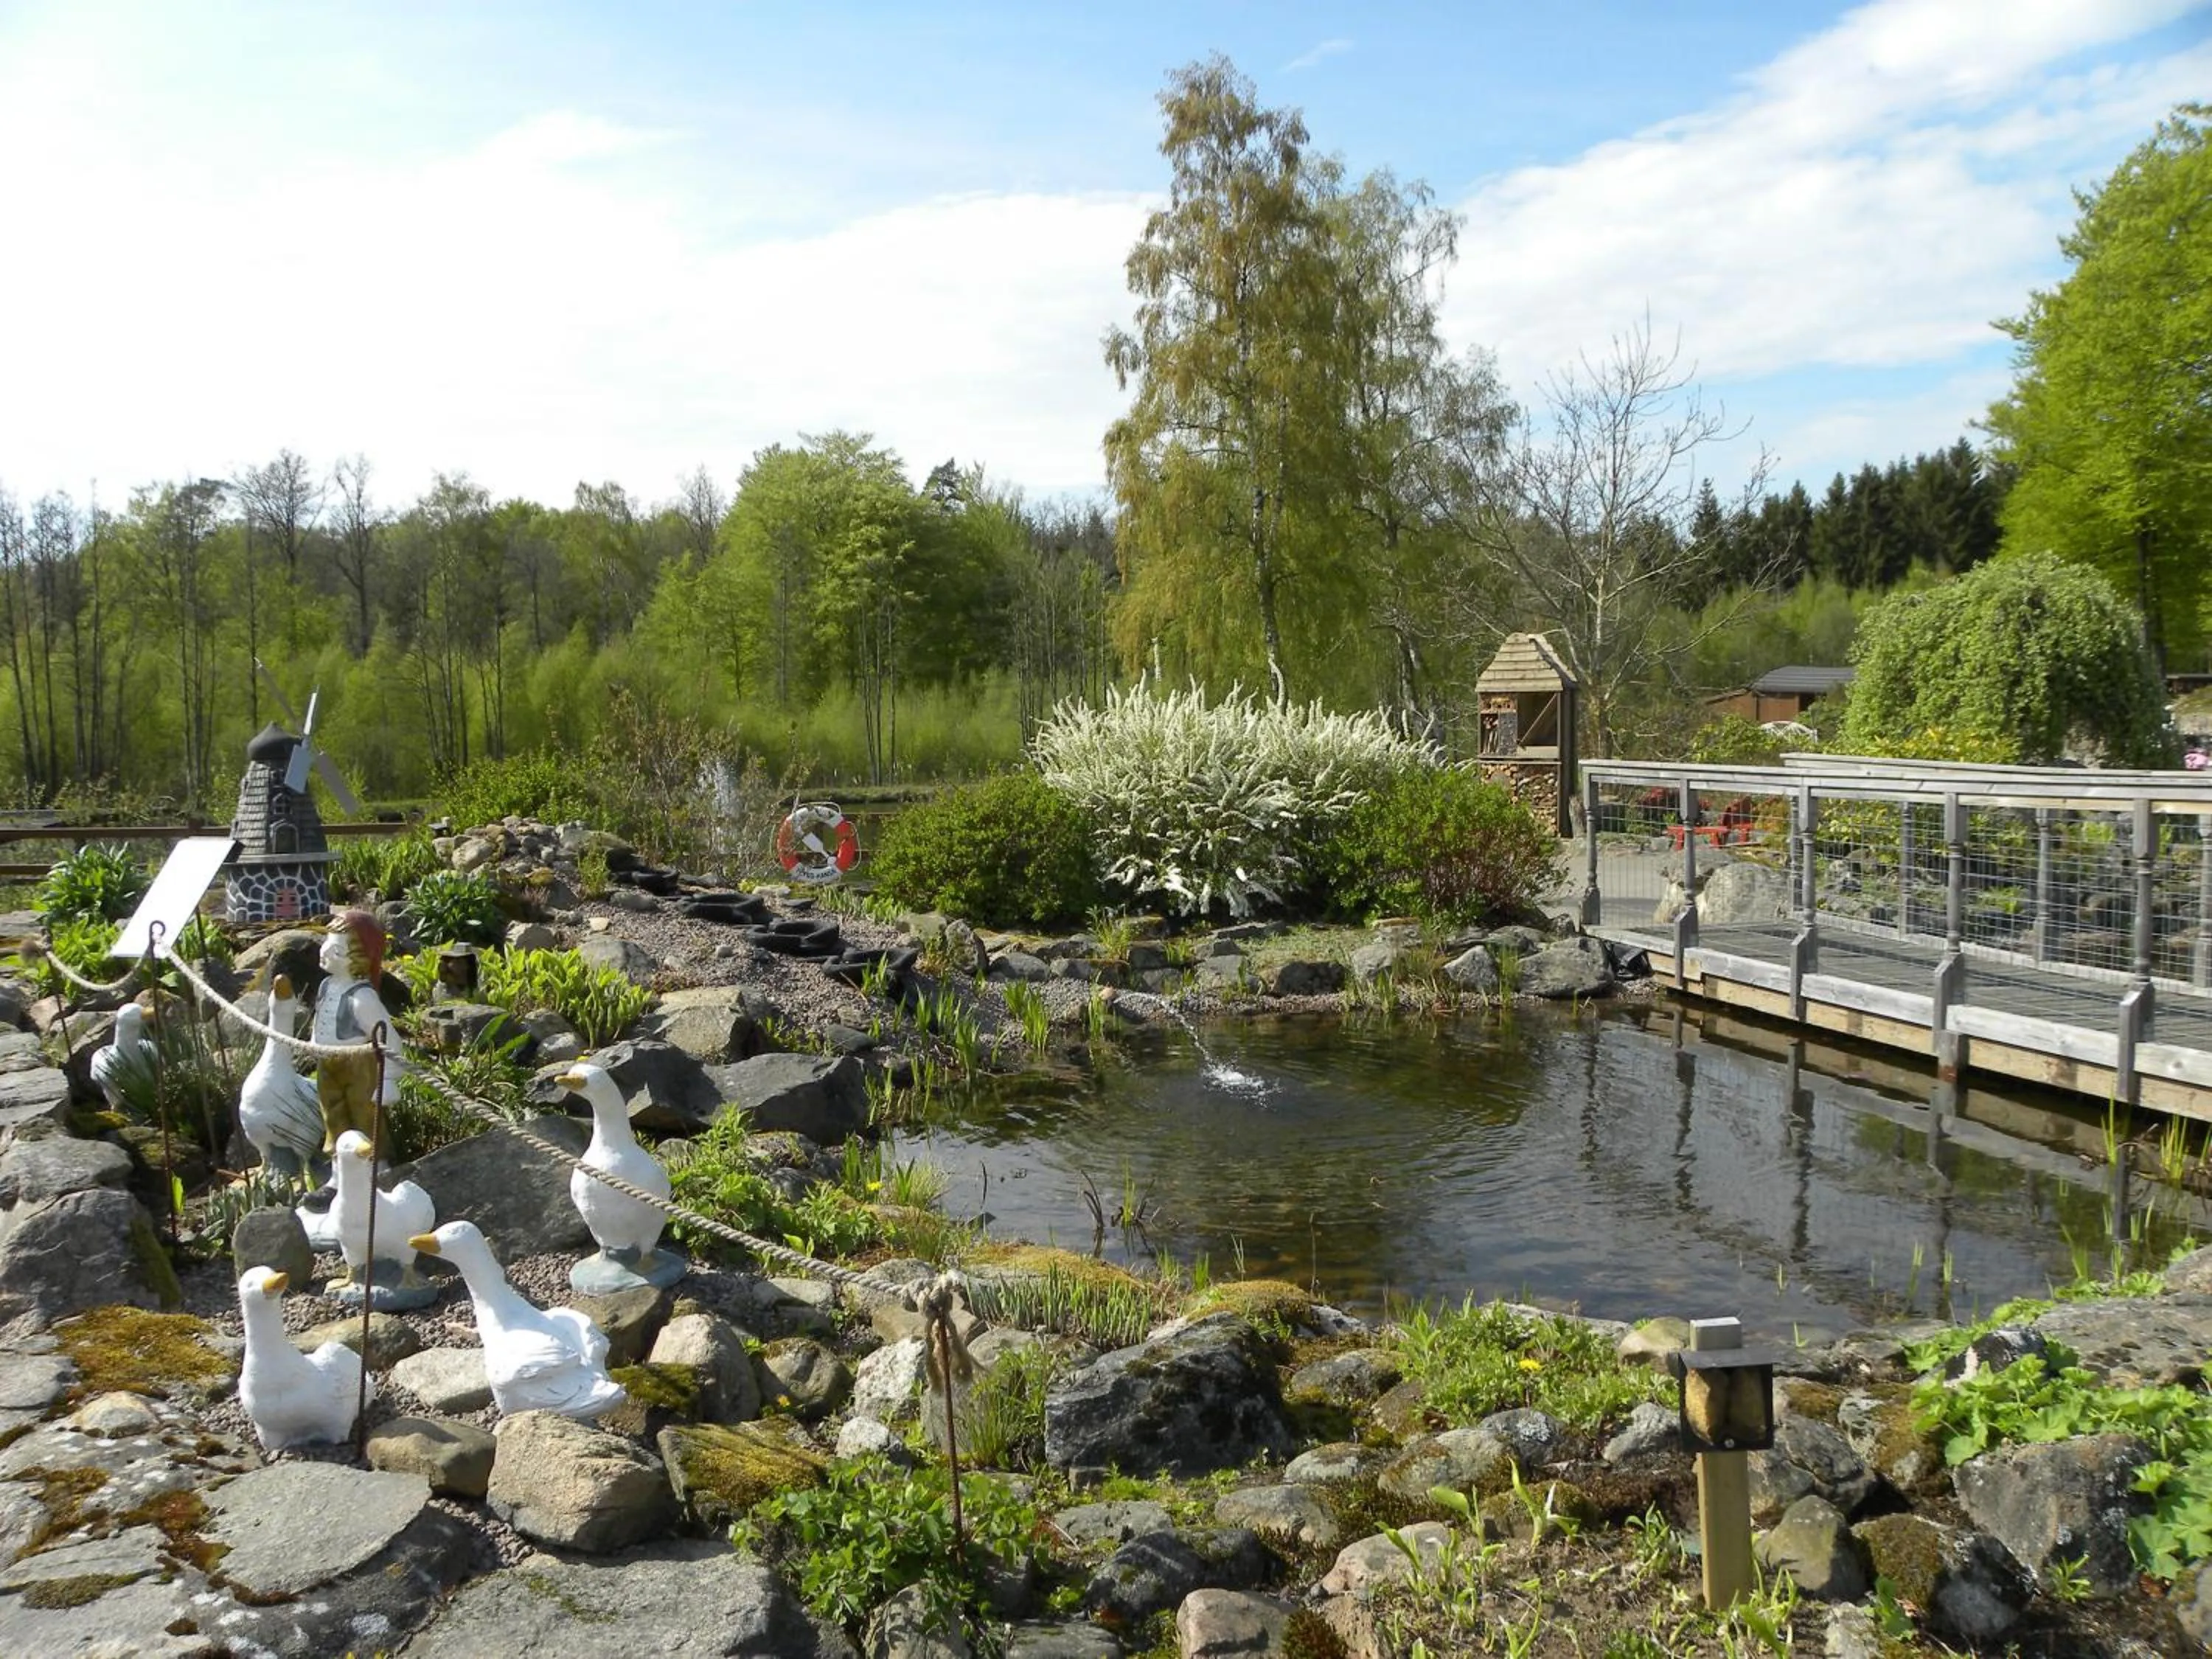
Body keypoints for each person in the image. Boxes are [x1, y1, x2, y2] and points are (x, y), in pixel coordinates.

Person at [313, 908, 401, 1155]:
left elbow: (388, 1038)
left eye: (338, 950)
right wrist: (313, 1044)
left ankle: (378, 1163)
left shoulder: (362, 997)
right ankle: (339, 1164)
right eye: (327, 943)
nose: (325, 952)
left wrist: (389, 1079)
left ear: (361, 959)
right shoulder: (326, 986)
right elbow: (320, 1019)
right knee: (332, 1114)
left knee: (365, 1114)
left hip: (359, 1065)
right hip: (327, 1061)